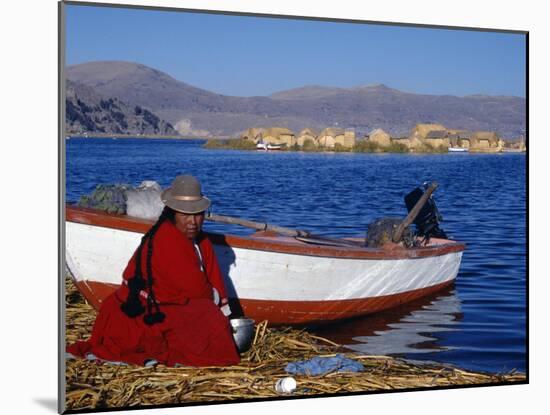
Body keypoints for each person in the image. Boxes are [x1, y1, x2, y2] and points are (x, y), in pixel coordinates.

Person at [67, 175, 240, 367]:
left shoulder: (201, 240)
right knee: (208, 315)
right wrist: (215, 306)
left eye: (197, 214)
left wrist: (222, 306)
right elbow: (195, 289)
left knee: (209, 313)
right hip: (141, 310)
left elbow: (211, 278)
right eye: (185, 215)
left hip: (164, 303)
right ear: (173, 213)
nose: (192, 221)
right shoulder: (167, 238)